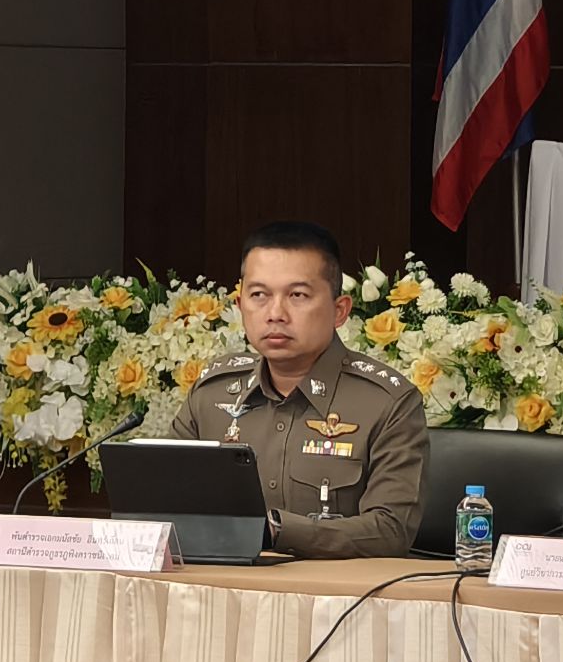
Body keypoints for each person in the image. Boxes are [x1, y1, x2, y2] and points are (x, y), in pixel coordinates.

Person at [171, 220, 427, 557]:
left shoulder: (387, 402)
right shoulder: (212, 394)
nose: (275, 313)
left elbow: (391, 530)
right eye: (259, 295)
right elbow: (161, 501)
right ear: (240, 306)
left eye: (297, 295)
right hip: (220, 584)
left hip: (336, 589)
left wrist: (276, 531)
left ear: (339, 311)